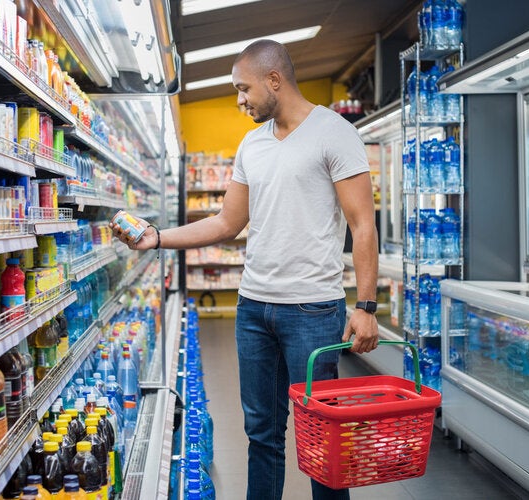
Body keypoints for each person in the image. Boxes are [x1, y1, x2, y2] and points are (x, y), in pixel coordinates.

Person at [112, 39, 379, 500]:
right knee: (261, 434)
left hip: (313, 310)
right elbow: (225, 222)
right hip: (254, 308)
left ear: (274, 80)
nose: (239, 100)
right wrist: (156, 237)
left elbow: (362, 223)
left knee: (321, 436)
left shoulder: (334, 133)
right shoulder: (251, 145)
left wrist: (367, 306)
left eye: (243, 88)